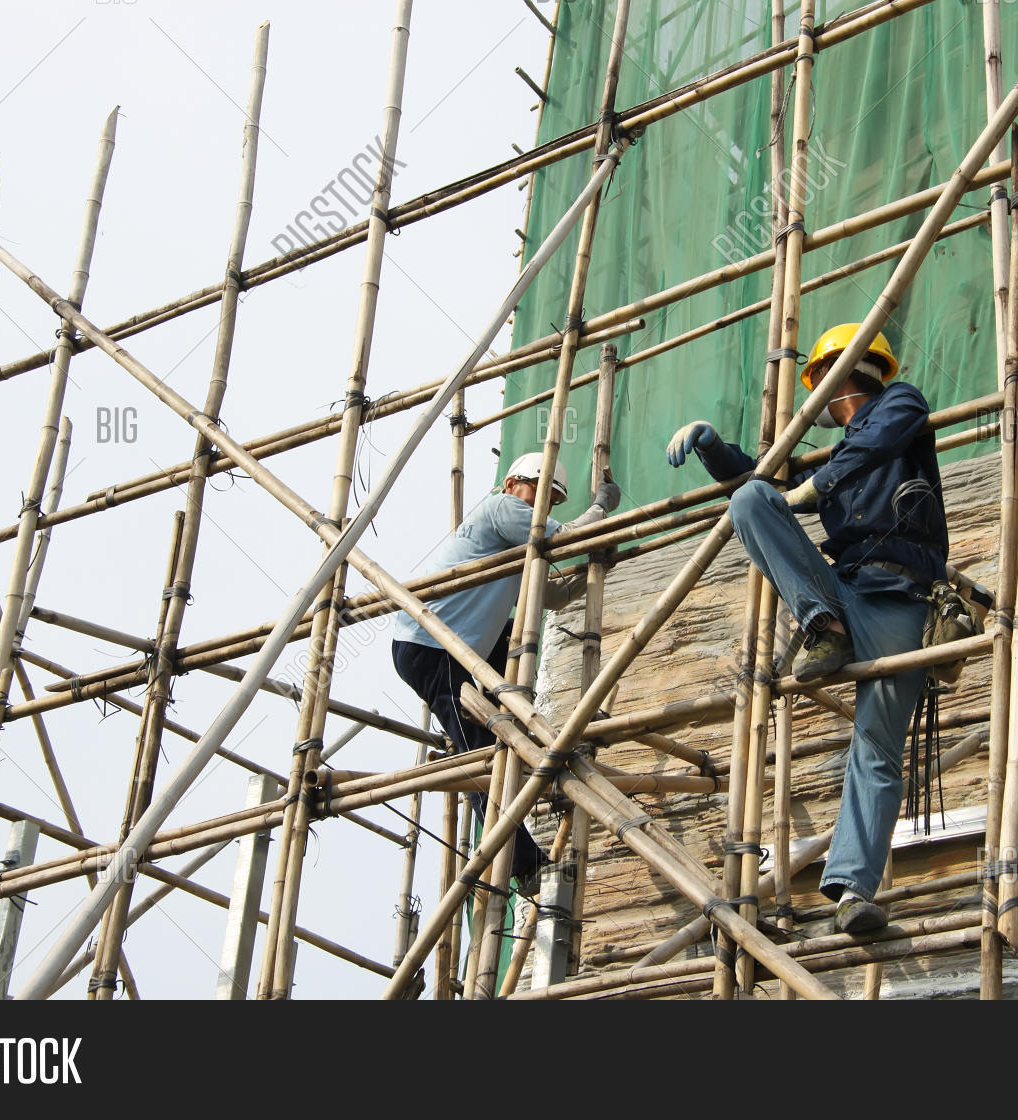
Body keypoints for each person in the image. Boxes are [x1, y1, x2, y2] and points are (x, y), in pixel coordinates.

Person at [666, 323, 947, 934]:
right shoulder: (838, 457)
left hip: (901, 597)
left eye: (815, 381)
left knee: (877, 749)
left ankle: (851, 890)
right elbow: (765, 486)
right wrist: (715, 449)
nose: (811, 395)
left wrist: (810, 489)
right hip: (844, 596)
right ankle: (823, 625)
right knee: (748, 503)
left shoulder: (900, 403)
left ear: (835, 376)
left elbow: (864, 451)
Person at [391, 452, 620, 895]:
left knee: (513, 655)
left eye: (554, 500)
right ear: (514, 482)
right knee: (478, 755)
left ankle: (522, 734)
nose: (546, 506)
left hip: (462, 645)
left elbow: (551, 597)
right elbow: (565, 537)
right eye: (543, 493)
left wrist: (593, 570)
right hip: (431, 646)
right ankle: (524, 862)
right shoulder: (502, 509)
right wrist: (601, 509)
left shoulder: (516, 544)